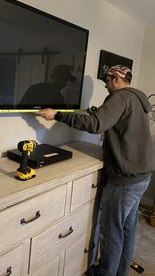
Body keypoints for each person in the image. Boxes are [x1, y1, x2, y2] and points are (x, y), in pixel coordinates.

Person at [36, 65, 155, 276]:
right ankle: (120, 272)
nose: (106, 86)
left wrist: (57, 115)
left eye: (108, 80)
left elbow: (96, 124)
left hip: (124, 182)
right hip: (142, 176)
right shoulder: (137, 98)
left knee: (111, 234)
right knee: (127, 230)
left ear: (117, 78)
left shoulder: (119, 98)